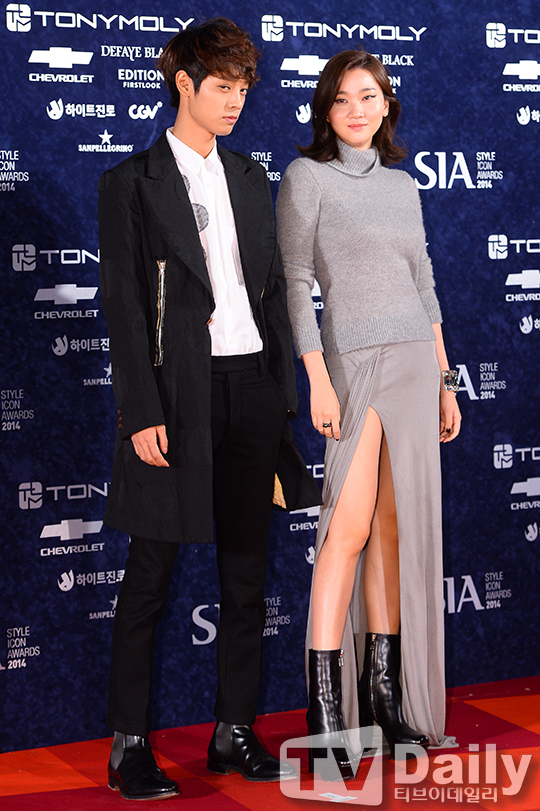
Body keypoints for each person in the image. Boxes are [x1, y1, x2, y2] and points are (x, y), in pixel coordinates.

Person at [98, 18, 319, 801]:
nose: (234, 102)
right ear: (184, 84)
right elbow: (126, 308)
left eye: (243, 90)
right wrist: (141, 411)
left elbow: (272, 290)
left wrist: (285, 391)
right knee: (150, 574)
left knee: (247, 574)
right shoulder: (131, 182)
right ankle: (128, 744)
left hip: (252, 389)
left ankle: (233, 730)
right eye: (222, 87)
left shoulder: (252, 177)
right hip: (177, 397)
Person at [276, 49, 461, 763]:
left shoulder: (403, 186)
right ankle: (326, 713)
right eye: (342, 98)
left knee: (390, 535)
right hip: (351, 365)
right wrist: (317, 378)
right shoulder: (306, 177)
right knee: (346, 530)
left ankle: (383, 702)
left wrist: (445, 380)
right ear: (325, 110)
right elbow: (296, 280)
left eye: (369, 96)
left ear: (387, 105)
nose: (356, 109)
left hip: (415, 364)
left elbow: (424, 281)